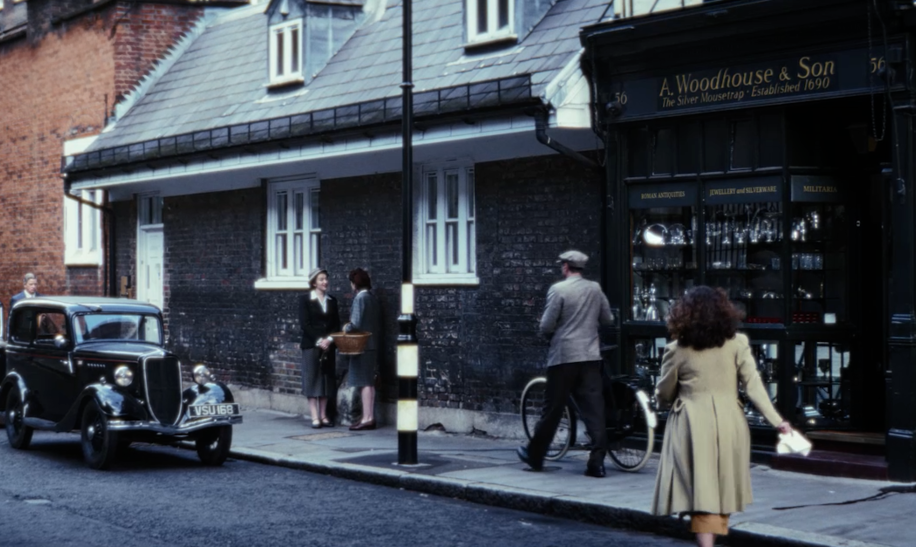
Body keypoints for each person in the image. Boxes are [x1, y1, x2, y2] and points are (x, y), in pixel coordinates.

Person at [651, 286, 792, 547]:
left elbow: (665, 390)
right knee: (721, 487)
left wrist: (660, 401)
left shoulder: (677, 348)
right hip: (730, 422)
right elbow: (754, 386)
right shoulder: (738, 343)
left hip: (691, 424)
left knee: (702, 490)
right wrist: (777, 421)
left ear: (685, 314)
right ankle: (709, 539)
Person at [517, 250, 613, 478]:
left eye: (562, 265)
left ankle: (535, 455)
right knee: (594, 411)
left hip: (563, 358)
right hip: (590, 357)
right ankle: (597, 463)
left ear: (566, 267)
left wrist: (552, 331)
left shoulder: (558, 290)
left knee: (552, 409)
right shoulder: (595, 289)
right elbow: (608, 319)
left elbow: (546, 326)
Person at [299, 267, 341, 429]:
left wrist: (329, 340)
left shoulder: (332, 300)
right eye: (321, 279)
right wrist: (320, 340)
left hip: (328, 346)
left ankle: (323, 415)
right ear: (314, 282)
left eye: (326, 279)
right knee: (312, 379)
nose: (325, 282)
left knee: (326, 380)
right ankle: (314, 416)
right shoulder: (305, 300)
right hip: (311, 346)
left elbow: (336, 324)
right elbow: (305, 324)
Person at [344, 267, 380, 431]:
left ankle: (367, 418)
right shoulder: (372, 298)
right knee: (369, 382)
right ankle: (369, 417)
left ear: (354, 284)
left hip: (361, 346)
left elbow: (356, 324)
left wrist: (346, 327)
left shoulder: (360, 298)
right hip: (372, 344)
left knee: (364, 382)